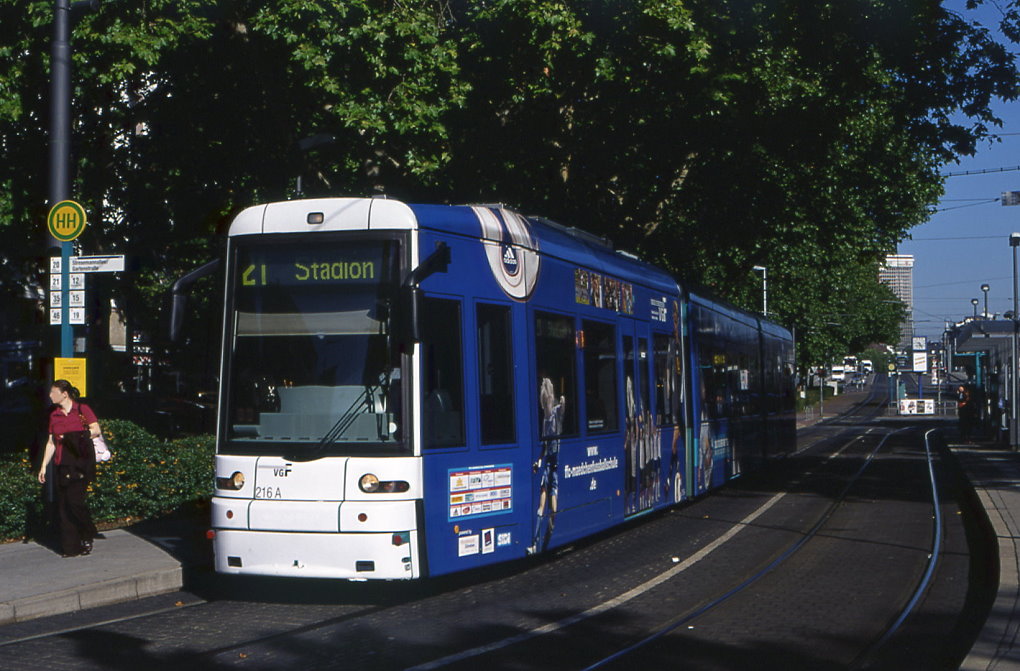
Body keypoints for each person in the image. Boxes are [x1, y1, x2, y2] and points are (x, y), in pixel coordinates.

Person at [37, 380, 100, 557]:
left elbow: (96, 430)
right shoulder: (54, 415)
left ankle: (87, 531)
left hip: (80, 463)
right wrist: (43, 466)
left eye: (53, 392)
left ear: (64, 394)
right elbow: (51, 442)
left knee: (75, 502)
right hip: (62, 464)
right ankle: (70, 547)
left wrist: (75, 436)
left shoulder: (81, 410)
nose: (50, 396)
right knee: (64, 507)